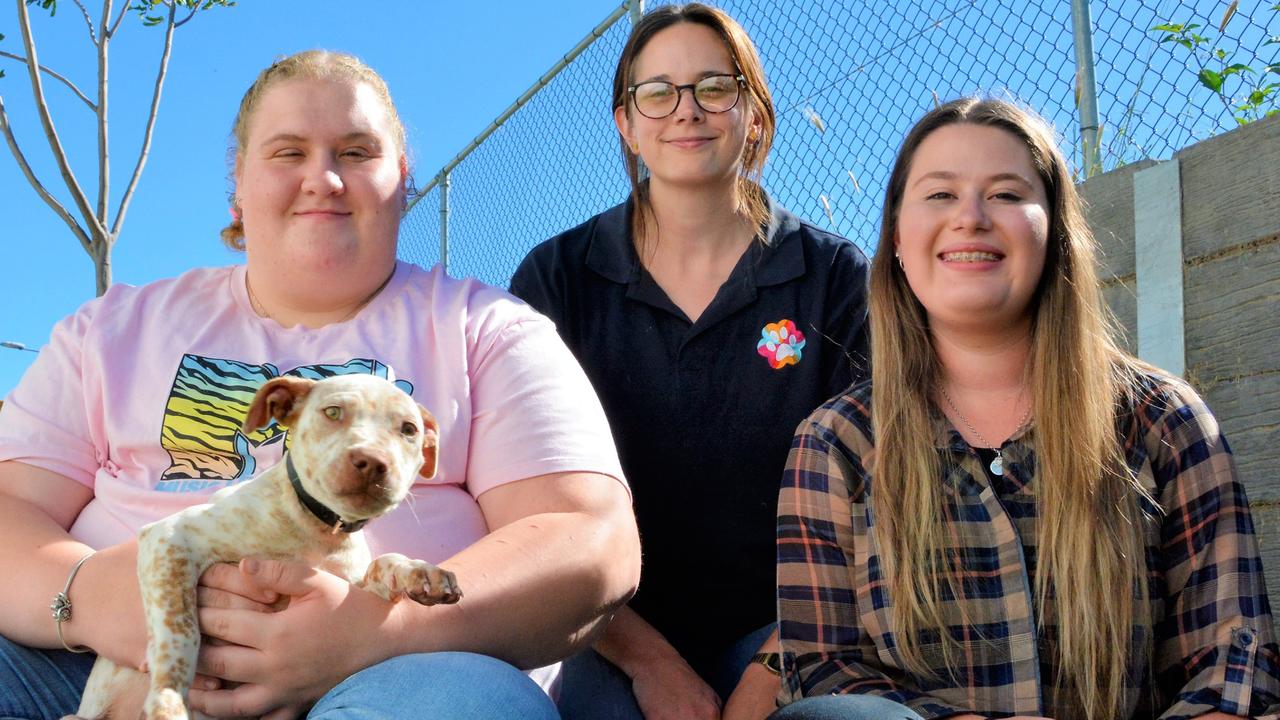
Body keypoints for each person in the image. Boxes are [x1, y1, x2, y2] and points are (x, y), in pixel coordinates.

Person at [0, 49, 641, 720]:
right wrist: (85, 594)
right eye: (287, 153)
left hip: (388, 677)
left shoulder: (486, 329)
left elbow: (590, 538)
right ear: (238, 187)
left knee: (461, 703)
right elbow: (12, 505)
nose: (323, 179)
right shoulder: (111, 330)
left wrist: (377, 633)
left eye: (357, 152)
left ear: (404, 180)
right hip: (88, 669)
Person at [773, 96, 1280, 720]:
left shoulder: (1164, 420)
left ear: (1056, 233)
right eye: (939, 195)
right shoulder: (835, 443)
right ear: (897, 241)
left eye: (1007, 194)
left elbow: (1234, 670)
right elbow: (823, 669)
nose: (972, 218)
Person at [510, 5, 869, 720]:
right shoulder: (557, 279)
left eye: (714, 86)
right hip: (612, 634)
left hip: (788, 632)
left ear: (755, 114)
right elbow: (526, 505)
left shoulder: (832, 276)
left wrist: (769, 673)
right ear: (627, 124)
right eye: (658, 92)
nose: (687, 112)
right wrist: (651, 664)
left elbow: (873, 501)